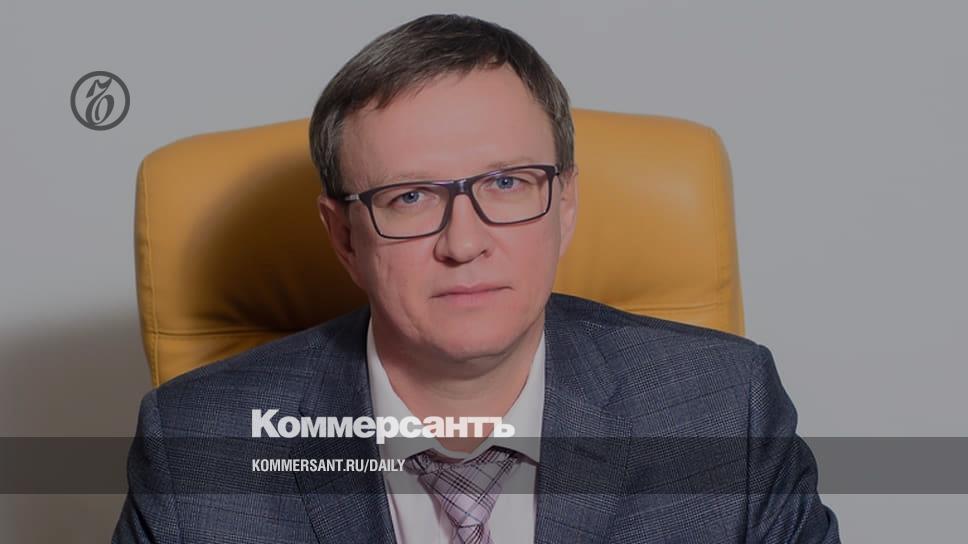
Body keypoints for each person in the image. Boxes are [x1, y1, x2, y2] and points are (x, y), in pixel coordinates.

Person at [113, 13, 840, 544]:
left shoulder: (724, 410)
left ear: (565, 206)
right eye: (408, 197)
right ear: (343, 236)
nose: (463, 243)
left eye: (508, 183)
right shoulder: (195, 449)